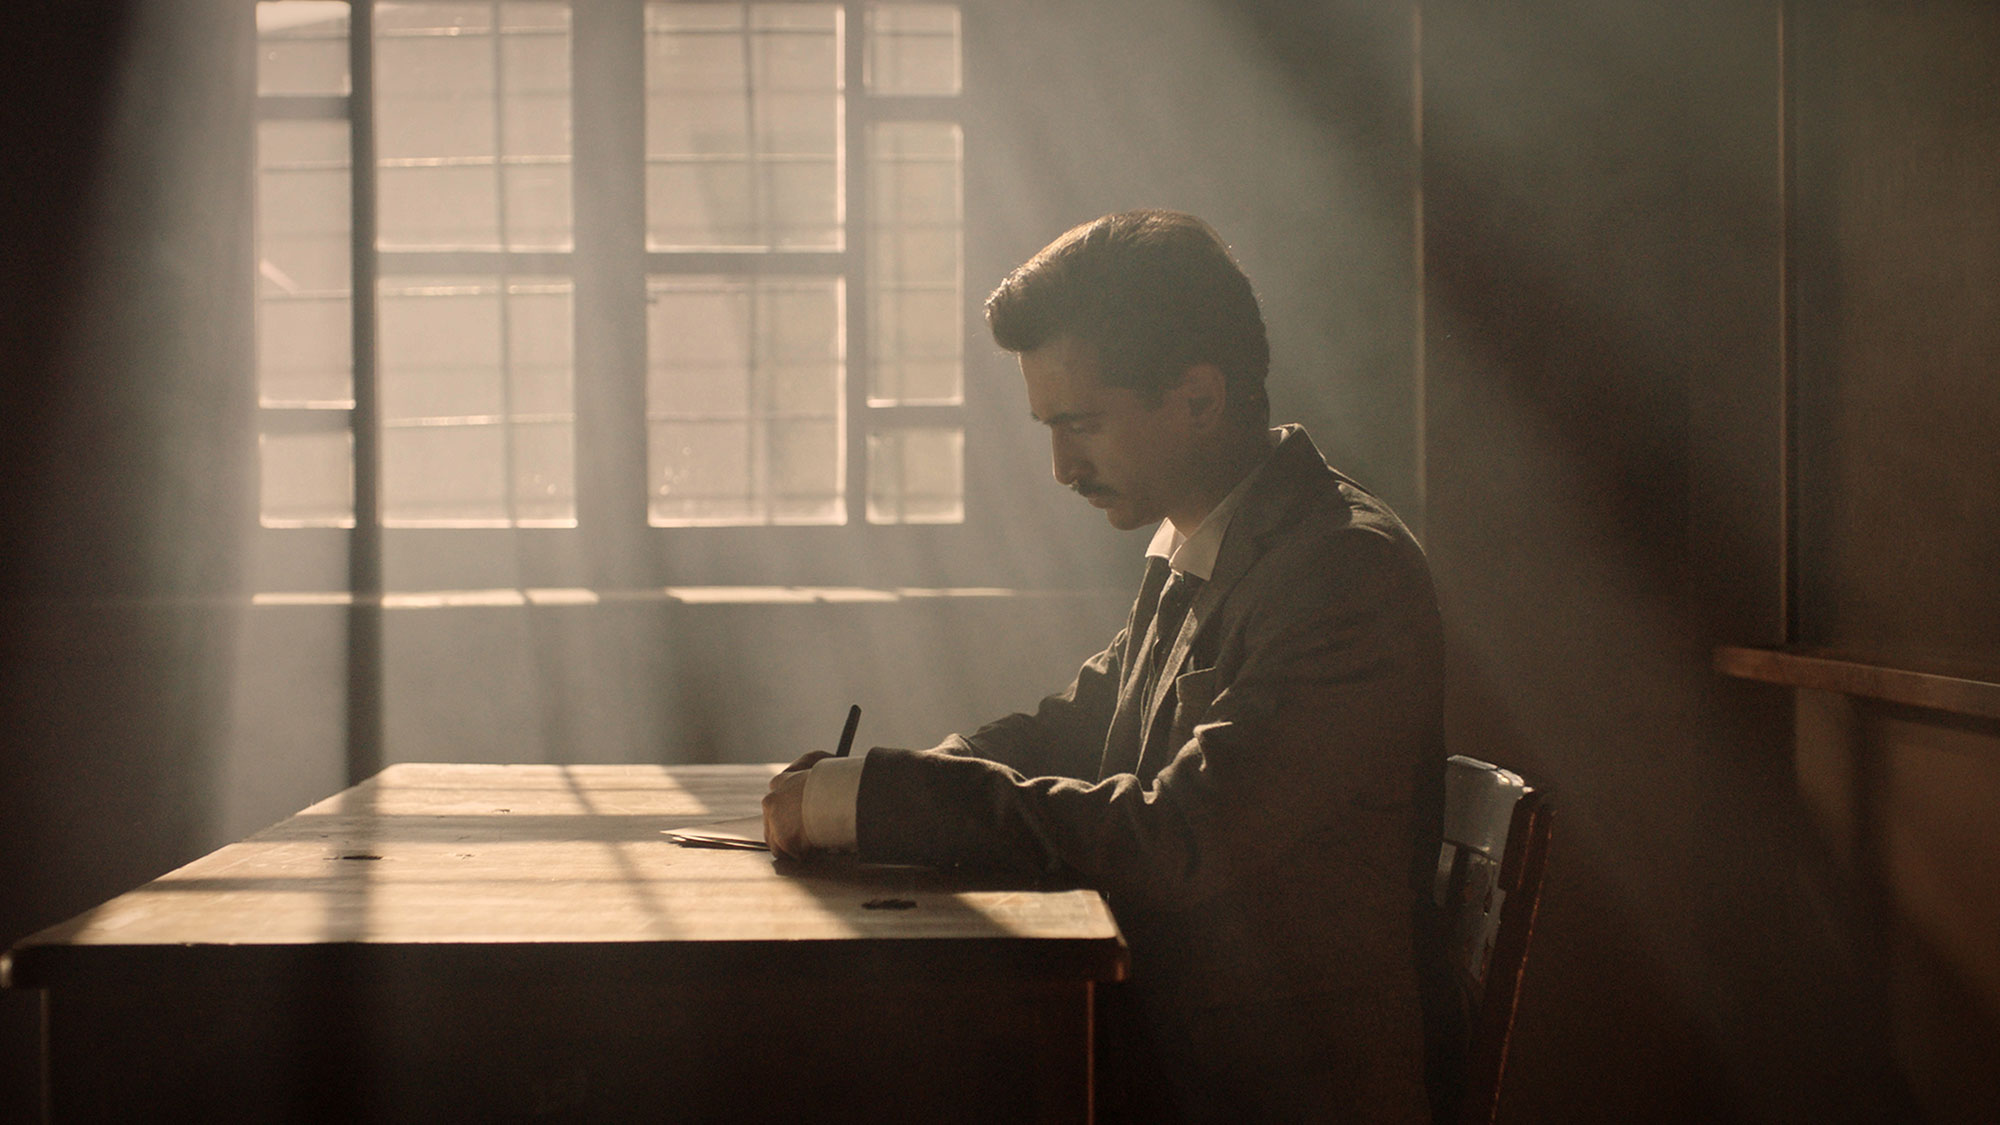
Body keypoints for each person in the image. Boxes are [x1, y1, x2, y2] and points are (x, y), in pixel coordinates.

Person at [764, 210, 1447, 1122]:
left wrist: (882, 799)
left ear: (1198, 398)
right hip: (1179, 1055)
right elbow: (1078, 726)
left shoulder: (1342, 572)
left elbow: (1180, 836)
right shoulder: (1214, 539)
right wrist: (895, 784)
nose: (1060, 467)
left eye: (1081, 423)